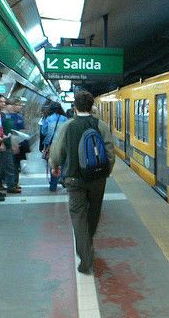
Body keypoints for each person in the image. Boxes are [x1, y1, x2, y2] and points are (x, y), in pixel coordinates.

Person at [49, 90, 115, 274]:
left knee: (78, 217)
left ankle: (85, 259)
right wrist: (105, 172)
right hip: (97, 179)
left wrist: (54, 166)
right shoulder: (101, 125)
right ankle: (88, 243)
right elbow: (110, 153)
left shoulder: (67, 126)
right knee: (93, 213)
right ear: (92, 106)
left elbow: (56, 151)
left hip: (74, 179)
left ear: (75, 107)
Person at [41, 102, 68, 191]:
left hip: (51, 144)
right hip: (63, 144)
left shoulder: (48, 118)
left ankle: (53, 185)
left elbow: (44, 132)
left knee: (53, 164)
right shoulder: (65, 118)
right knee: (63, 163)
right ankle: (64, 180)